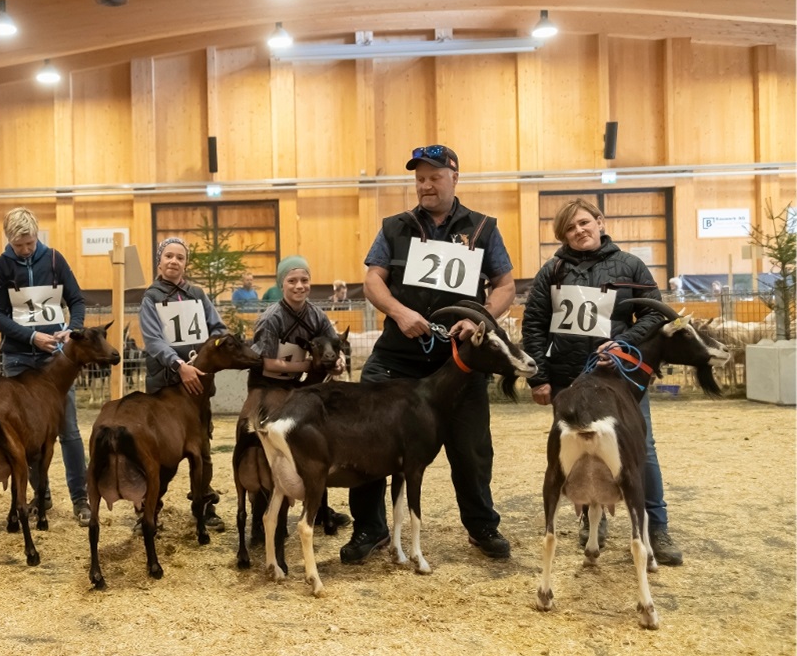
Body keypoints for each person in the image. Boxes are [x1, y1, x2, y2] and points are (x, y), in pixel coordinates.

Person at [344, 144, 516, 564]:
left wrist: (480, 318)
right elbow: (372, 281)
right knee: (367, 437)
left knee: (471, 446)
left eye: (434, 176)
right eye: (419, 177)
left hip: (458, 359)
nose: (425, 184)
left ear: (454, 177)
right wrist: (400, 313)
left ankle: (481, 526)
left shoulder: (483, 228)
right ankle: (370, 527)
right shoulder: (394, 227)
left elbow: (506, 285)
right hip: (397, 355)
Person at [520, 198, 682, 565]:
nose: (578, 231)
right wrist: (539, 379)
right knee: (577, 453)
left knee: (645, 451)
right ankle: (591, 524)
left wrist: (623, 342)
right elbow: (533, 325)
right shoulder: (552, 271)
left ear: (600, 221)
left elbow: (654, 315)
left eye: (583, 223)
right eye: (569, 229)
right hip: (568, 380)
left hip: (620, 379)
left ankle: (656, 527)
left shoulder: (631, 265)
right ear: (563, 236)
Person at [0, 207, 92, 527]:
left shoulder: (56, 260)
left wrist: (72, 328)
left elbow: (77, 300)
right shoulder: (2, 266)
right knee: (26, 434)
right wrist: (32, 338)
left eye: (30, 243)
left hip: (54, 357)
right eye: (19, 246)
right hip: (18, 358)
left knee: (68, 430)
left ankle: (80, 496)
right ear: (9, 241)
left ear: (36, 235)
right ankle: (40, 494)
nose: (26, 250)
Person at [249, 255, 350, 531]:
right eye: (292, 281)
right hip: (267, 385)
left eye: (304, 280)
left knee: (318, 440)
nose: (299, 286)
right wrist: (304, 365)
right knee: (262, 442)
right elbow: (264, 361)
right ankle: (261, 511)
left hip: (300, 386)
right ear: (282, 284)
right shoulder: (271, 318)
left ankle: (320, 509)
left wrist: (338, 361)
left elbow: (334, 344)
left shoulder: (317, 315)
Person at [139, 236, 228, 531]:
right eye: (168, 256)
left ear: (186, 263)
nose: (174, 262)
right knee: (163, 454)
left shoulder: (198, 295)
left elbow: (217, 328)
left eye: (180, 257)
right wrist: (180, 366)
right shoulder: (150, 298)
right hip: (166, 388)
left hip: (198, 389)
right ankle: (149, 509)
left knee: (202, 448)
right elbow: (153, 340)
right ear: (159, 261)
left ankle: (204, 504)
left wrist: (207, 354)